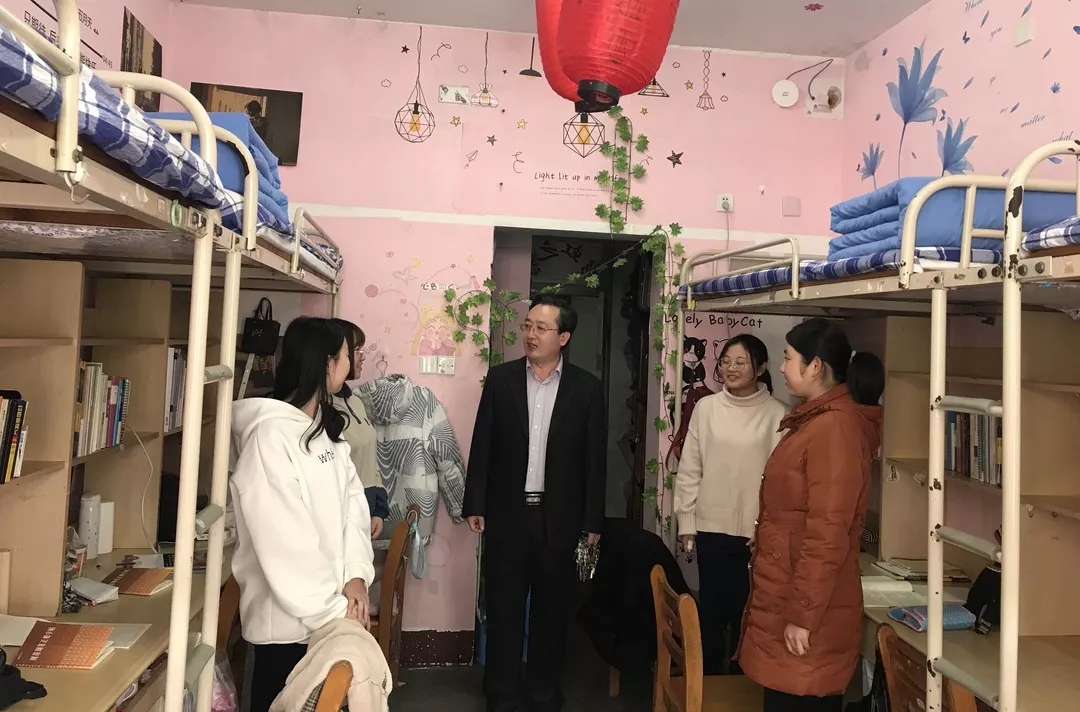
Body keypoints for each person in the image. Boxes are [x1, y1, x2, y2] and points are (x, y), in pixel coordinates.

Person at [463, 294, 607, 712]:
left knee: (552, 611)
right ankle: (501, 691)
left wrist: (592, 520)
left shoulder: (587, 388)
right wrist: (475, 502)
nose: (530, 334)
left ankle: (543, 689)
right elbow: (483, 443)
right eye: (527, 326)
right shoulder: (501, 379)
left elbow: (594, 460)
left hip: (559, 518)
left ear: (563, 337)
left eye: (541, 328)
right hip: (507, 515)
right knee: (504, 607)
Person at [229, 317, 376, 712]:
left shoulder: (322, 429)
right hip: (288, 629)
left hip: (331, 616)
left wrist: (355, 576)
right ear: (327, 362)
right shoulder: (269, 437)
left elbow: (353, 507)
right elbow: (285, 542)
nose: (351, 363)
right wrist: (335, 611)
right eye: (347, 355)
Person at [737, 318, 884, 712]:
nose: (782, 367)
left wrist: (802, 616)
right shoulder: (815, 421)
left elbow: (827, 532)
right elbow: (798, 514)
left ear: (815, 366)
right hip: (789, 594)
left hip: (808, 610)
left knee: (798, 701)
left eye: (788, 358)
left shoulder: (834, 429)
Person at [674, 333, 788, 676]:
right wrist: (687, 523)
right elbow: (690, 468)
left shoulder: (778, 415)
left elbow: (781, 484)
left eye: (741, 362)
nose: (731, 368)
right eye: (726, 361)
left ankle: (742, 686)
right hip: (711, 529)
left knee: (747, 616)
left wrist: (769, 528)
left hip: (756, 535)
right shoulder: (707, 408)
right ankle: (707, 685)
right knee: (711, 613)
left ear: (761, 368)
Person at [331, 318, 390, 538]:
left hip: (366, 510)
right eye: (355, 350)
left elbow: (369, 460)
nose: (362, 356)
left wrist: (378, 510)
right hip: (341, 515)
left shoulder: (354, 401)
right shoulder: (322, 408)